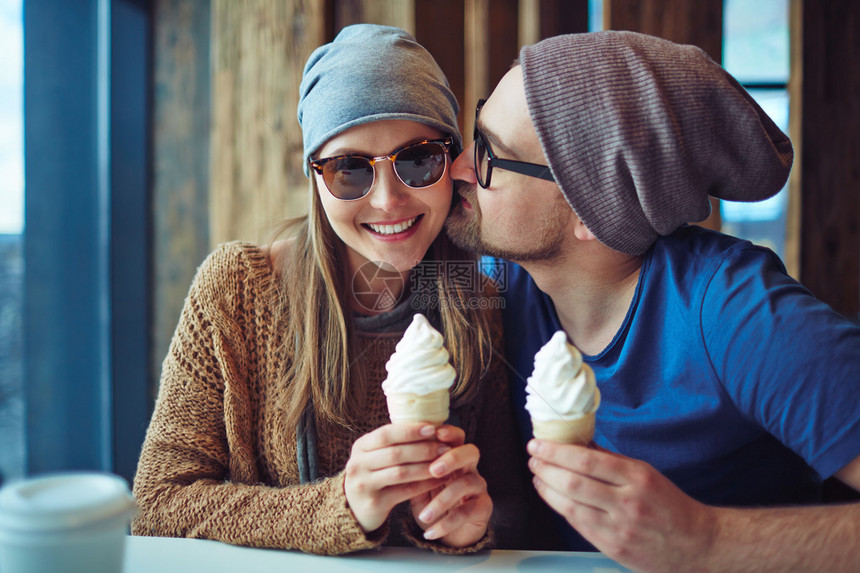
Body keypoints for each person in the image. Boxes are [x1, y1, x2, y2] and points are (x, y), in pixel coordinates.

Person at [445, 30, 860, 571]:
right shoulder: (499, 287)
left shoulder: (738, 315)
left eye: (489, 156)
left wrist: (706, 539)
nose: (456, 169)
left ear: (588, 214)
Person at [132, 24, 530, 555]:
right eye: (350, 170)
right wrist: (339, 505)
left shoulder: (478, 304)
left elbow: (514, 505)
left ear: (450, 163)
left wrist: (476, 526)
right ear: (316, 179)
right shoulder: (236, 292)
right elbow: (157, 503)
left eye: (417, 159)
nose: (388, 201)